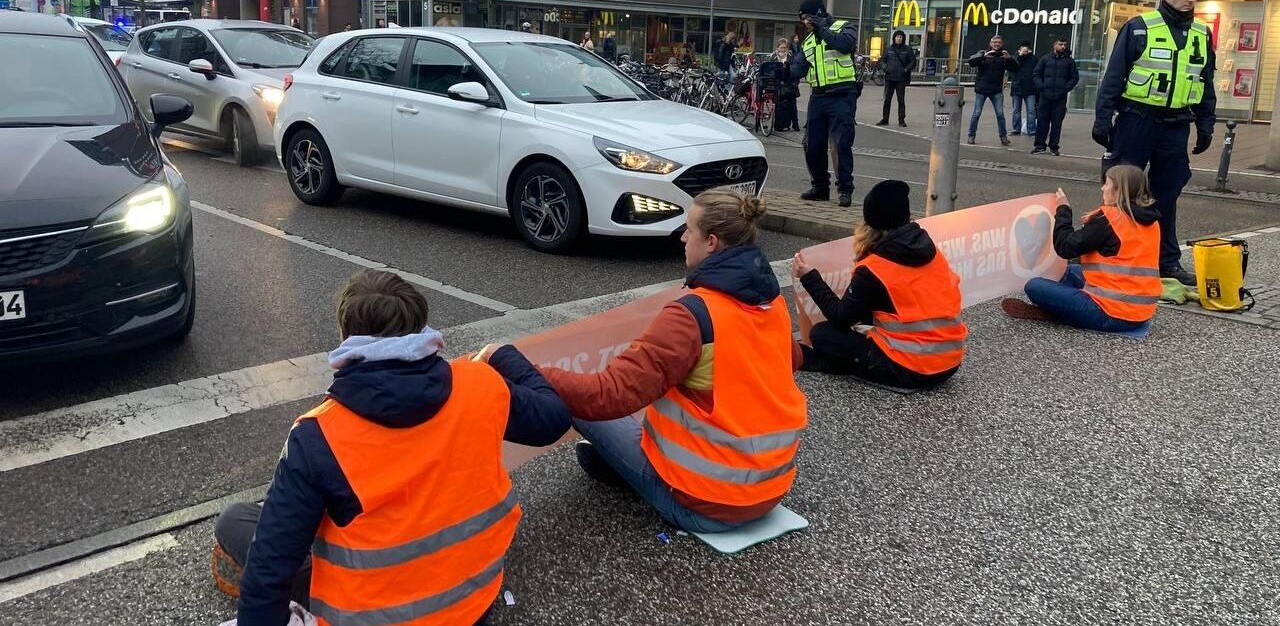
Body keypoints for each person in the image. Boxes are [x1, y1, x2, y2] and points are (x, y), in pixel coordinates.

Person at [212, 270, 570, 626]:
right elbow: (553, 419)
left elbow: (268, 574)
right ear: (421, 327)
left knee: (236, 521)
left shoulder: (318, 434)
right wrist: (501, 355)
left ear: (345, 335)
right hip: (471, 605)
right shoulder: (480, 385)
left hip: (369, 614)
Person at [537, 188, 808, 534]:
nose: (682, 237)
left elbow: (610, 394)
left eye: (688, 229)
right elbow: (792, 359)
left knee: (578, 399)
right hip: (770, 490)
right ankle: (617, 465)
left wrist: (527, 370)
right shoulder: (772, 306)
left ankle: (626, 471)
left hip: (705, 506)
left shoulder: (693, 315)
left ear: (711, 242)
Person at [1092, 0, 1216, 287]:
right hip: (1137, 119)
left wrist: (1205, 125)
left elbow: (1205, 83)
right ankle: (1110, 251)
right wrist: (1103, 118)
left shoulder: (1202, 34)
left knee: (1167, 193)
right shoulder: (1139, 28)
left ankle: (1166, 261)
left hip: (1176, 124)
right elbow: (1114, 77)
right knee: (1120, 188)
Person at [793, 180, 967, 391]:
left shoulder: (874, 268)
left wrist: (810, 277)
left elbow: (840, 319)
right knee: (857, 330)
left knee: (822, 334)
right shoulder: (930, 251)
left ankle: (829, 363)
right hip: (950, 363)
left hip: (912, 369)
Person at [1002, 165, 1161, 332]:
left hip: (1111, 314)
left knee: (1034, 286)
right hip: (1141, 311)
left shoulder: (1110, 219)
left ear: (1117, 190)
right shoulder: (1151, 220)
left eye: (1106, 184)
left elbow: (1066, 247)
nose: (1102, 188)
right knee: (1068, 270)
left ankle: (1060, 311)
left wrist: (1063, 210)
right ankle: (1065, 307)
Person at [790, 0, 859, 207]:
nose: (804, 22)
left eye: (806, 17)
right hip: (818, 96)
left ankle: (845, 189)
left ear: (818, 14)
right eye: (802, 19)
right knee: (812, 144)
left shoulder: (844, 27)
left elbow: (846, 45)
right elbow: (798, 69)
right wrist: (783, 72)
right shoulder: (808, 40)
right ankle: (820, 187)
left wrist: (822, 29)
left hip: (843, 95)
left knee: (840, 143)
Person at [966, 34, 1019, 147]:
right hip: (982, 88)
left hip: (996, 89)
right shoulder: (983, 53)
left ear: (1002, 44)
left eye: (999, 43)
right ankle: (971, 135)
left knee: (1000, 114)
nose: (997, 44)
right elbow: (971, 62)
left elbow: (1016, 68)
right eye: (995, 42)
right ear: (990, 44)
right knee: (976, 113)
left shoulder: (1003, 56)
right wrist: (983, 57)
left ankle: (1003, 137)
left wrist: (1009, 58)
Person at [1032, 37, 1080, 155]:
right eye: (1060, 44)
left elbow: (1074, 77)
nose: (1063, 46)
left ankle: (1054, 146)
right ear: (1055, 45)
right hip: (1045, 96)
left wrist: (1065, 88)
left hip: (1060, 97)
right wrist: (1041, 86)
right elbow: (1036, 74)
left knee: (1057, 123)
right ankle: (1039, 145)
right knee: (1042, 121)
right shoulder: (1045, 59)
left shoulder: (1069, 61)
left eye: (1064, 44)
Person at [876, 30, 916, 127]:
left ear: (903, 38)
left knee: (901, 100)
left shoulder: (907, 49)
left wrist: (906, 69)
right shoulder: (889, 49)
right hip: (889, 78)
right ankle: (885, 119)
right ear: (894, 38)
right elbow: (882, 61)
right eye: (897, 37)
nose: (899, 38)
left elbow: (913, 62)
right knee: (887, 100)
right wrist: (885, 68)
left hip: (901, 79)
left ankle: (901, 120)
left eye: (900, 37)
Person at [1009, 40, 1039, 138]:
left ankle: (1031, 130)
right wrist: (1020, 56)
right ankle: (1016, 129)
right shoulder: (1015, 58)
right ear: (1019, 49)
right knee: (1016, 110)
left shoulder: (1033, 59)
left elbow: (1037, 71)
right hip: (1017, 88)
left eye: (1026, 48)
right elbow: (1012, 68)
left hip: (1030, 88)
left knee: (1031, 110)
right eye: (1023, 48)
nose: (1025, 49)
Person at [772, 37, 801, 132]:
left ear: (787, 48)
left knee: (792, 105)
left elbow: (796, 70)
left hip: (790, 84)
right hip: (779, 86)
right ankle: (780, 125)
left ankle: (795, 125)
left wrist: (794, 82)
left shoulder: (792, 57)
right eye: (781, 47)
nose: (783, 49)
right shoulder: (773, 57)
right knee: (779, 106)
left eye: (785, 47)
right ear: (777, 48)